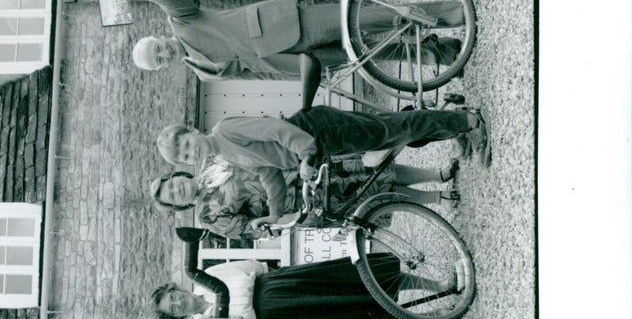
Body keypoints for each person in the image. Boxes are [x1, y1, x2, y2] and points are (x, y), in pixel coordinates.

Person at [107, 0, 464, 81]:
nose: (165, 54)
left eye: (158, 49)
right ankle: (441, 53)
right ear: (162, 68)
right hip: (295, 62)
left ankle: (449, 14)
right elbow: (254, 74)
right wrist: (298, 77)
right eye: (159, 60)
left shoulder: (181, 22)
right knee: (367, 55)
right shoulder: (202, 72)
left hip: (285, 26)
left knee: (364, 18)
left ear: (158, 36)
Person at [156, 104, 490, 220]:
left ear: (192, 131)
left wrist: (304, 154)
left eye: (186, 144)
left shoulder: (224, 130)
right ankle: (453, 124)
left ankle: (468, 120)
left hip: (317, 131)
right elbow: (268, 173)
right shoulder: (224, 155)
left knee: (391, 130)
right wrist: (275, 214)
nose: (190, 152)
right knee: (389, 135)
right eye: (184, 156)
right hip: (319, 147)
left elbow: (275, 129)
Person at [151, 254, 464, 319]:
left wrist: (279, 279)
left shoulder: (208, 276)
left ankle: (440, 285)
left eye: (174, 297)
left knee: (355, 281)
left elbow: (252, 267)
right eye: (174, 309)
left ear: (178, 289)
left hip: (281, 285)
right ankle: (435, 314)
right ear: (178, 318)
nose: (179, 303)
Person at [150, 158, 461, 239]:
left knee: (373, 172)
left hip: (299, 169)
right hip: (301, 203)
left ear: (179, 176)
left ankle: (437, 173)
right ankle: (437, 197)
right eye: (174, 197)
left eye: (174, 185)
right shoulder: (208, 216)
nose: (179, 190)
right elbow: (249, 229)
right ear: (180, 205)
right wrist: (270, 222)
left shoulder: (212, 161)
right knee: (373, 197)